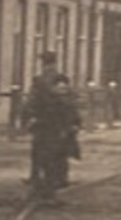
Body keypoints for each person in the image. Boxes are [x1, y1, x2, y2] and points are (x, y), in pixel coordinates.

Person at [23, 71, 80, 204]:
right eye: (59, 88)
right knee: (45, 163)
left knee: (59, 163)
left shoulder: (69, 102)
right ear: (53, 88)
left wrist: (74, 126)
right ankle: (43, 191)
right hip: (47, 137)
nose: (62, 90)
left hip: (63, 138)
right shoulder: (48, 102)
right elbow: (35, 115)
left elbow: (75, 118)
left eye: (64, 88)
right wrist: (34, 123)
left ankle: (54, 189)